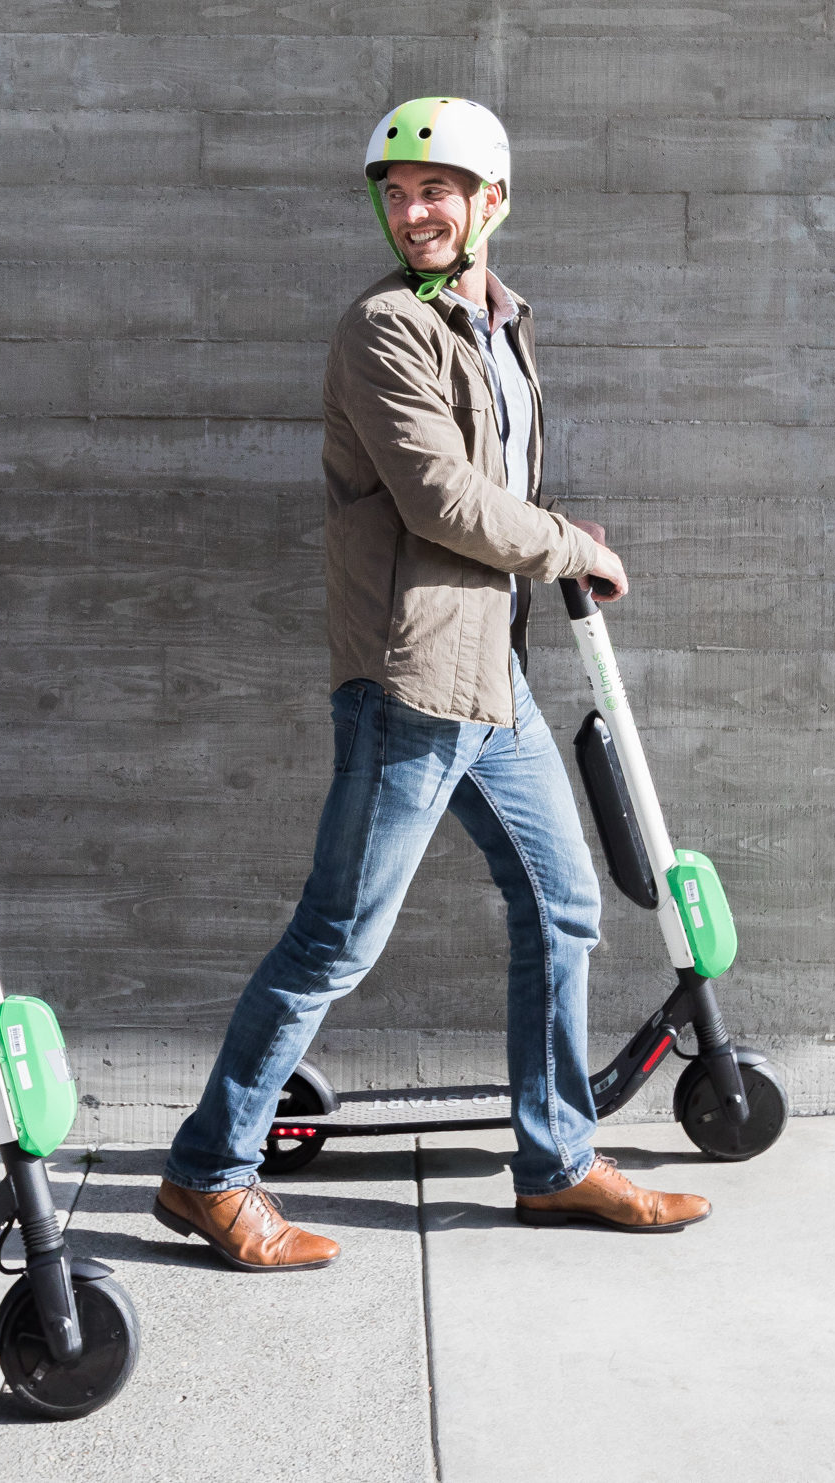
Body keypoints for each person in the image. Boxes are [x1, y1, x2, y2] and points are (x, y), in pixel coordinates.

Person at [153, 99, 713, 1271]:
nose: (413, 212)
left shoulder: (497, 321)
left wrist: (553, 536)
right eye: (398, 194)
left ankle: (556, 1163)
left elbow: (496, 485)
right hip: (411, 679)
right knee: (336, 940)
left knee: (564, 905)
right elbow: (442, 502)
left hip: (489, 672)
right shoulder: (382, 329)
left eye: (438, 192)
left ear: (491, 200)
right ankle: (209, 1174)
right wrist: (568, 542)